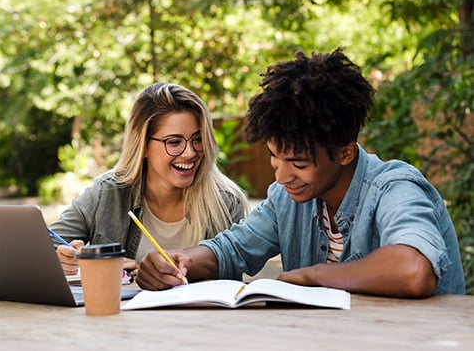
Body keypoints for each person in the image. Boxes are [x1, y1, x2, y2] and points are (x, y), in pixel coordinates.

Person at [136, 48, 466, 297]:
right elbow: (232, 250)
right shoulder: (288, 198)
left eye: (299, 163)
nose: (281, 176)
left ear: (345, 153)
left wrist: (313, 277)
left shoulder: (395, 188)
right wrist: (182, 261)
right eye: (274, 158)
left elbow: (413, 269)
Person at [49, 82, 250, 276]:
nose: (190, 153)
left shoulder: (227, 202)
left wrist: (150, 274)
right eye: (174, 142)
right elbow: (44, 245)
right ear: (143, 145)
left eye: (197, 139)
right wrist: (66, 258)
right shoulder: (108, 192)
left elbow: (230, 278)